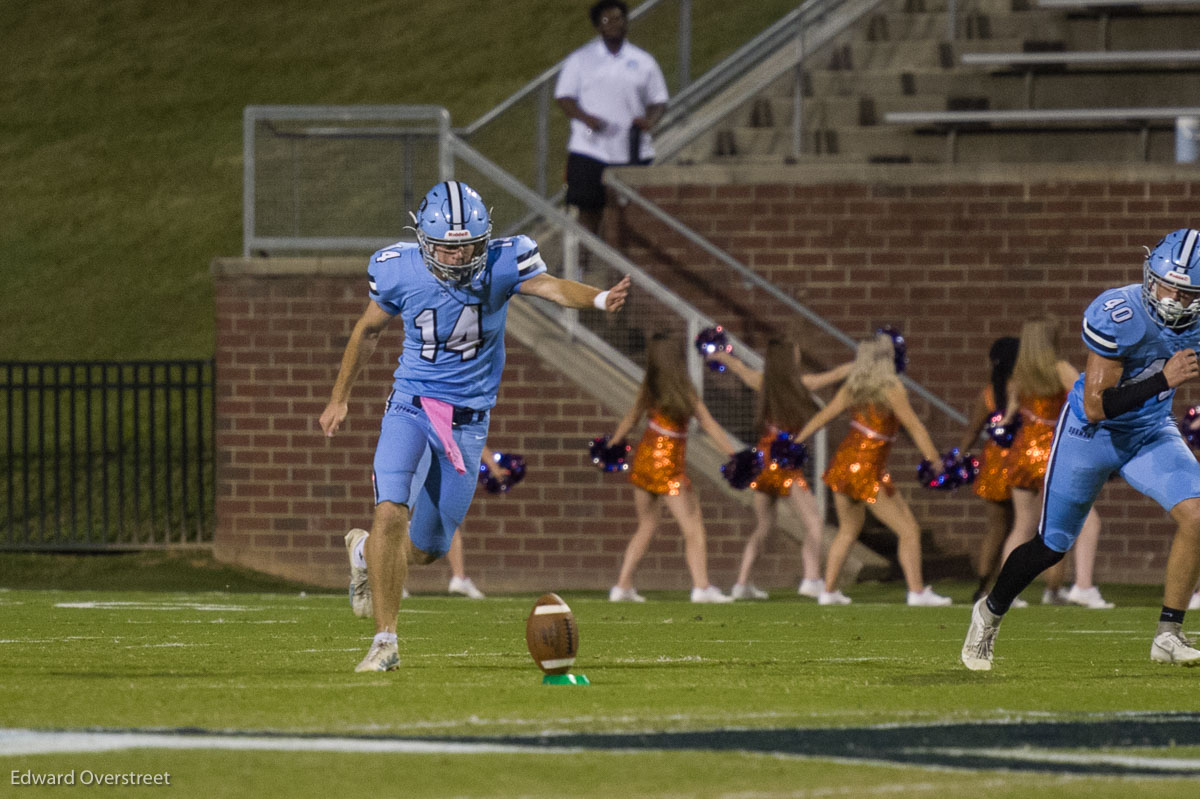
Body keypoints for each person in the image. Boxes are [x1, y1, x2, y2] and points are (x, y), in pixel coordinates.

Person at [319, 180, 630, 672]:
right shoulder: (397, 268)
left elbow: (549, 286)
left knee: (425, 551)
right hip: (413, 406)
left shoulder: (508, 261)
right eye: (446, 246)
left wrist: (596, 299)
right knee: (390, 509)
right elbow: (368, 330)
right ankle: (385, 642)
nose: (458, 257)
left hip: (467, 423)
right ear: (423, 239)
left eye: (467, 247)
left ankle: (361, 551)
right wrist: (340, 398)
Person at [963, 228, 1200, 670]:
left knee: (1198, 515)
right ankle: (990, 612)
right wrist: (1163, 380)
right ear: (1151, 275)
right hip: (1091, 437)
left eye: (1187, 291)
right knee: (1052, 545)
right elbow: (1095, 408)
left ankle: (1169, 634)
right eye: (1168, 284)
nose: (1174, 297)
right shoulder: (1120, 313)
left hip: (1150, 432)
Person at [793, 333, 953, 607]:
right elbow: (914, 426)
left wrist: (795, 442)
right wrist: (934, 460)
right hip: (868, 470)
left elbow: (823, 416)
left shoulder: (853, 387)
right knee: (909, 530)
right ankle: (916, 593)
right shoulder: (891, 388)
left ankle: (828, 592)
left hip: (844, 465)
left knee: (847, 530)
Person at [707, 339, 852, 600]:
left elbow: (738, 367)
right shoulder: (801, 384)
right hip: (784, 463)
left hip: (762, 462)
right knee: (814, 524)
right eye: (795, 353)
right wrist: (864, 364)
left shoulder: (762, 381)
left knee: (764, 526)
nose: (798, 356)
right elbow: (836, 375)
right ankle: (810, 579)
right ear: (789, 359)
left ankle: (742, 583)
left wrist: (720, 356)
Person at [608, 332, 740, 603]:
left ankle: (622, 586)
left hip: (644, 460)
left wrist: (613, 444)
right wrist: (732, 453)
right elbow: (708, 423)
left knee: (647, 524)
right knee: (693, 525)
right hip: (668, 466)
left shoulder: (651, 386)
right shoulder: (684, 390)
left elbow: (631, 419)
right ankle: (702, 587)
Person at [992, 318, 1112, 609]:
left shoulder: (1019, 374)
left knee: (1022, 526)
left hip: (1022, 452)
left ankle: (1006, 593)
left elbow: (1008, 417)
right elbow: (1089, 406)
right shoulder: (1061, 369)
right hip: (1054, 453)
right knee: (1088, 520)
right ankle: (1083, 586)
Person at [554, 0, 668, 237]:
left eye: (618, 19)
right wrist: (585, 118)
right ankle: (582, 265)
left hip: (632, 150)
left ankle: (621, 267)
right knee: (588, 210)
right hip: (590, 148)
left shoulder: (643, 61)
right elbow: (564, 97)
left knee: (630, 213)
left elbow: (659, 100)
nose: (614, 24)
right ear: (598, 27)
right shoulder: (581, 60)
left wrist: (650, 121)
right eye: (607, 20)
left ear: (626, 22)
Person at [957, 336, 1019, 603]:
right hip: (1021, 461)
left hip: (994, 462)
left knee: (996, 527)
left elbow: (972, 430)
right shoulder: (1025, 388)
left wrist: (959, 455)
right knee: (1022, 527)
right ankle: (1008, 588)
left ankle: (983, 587)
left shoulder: (988, 393)